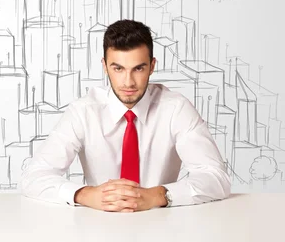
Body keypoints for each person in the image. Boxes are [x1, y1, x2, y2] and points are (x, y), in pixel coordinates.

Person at [19, 19, 231, 212]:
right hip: (98, 226)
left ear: (152, 66)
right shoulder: (83, 112)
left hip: (162, 224)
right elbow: (33, 177)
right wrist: (84, 195)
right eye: (118, 68)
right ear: (105, 67)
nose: (128, 82)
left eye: (138, 68)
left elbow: (216, 178)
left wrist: (158, 195)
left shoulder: (176, 108)